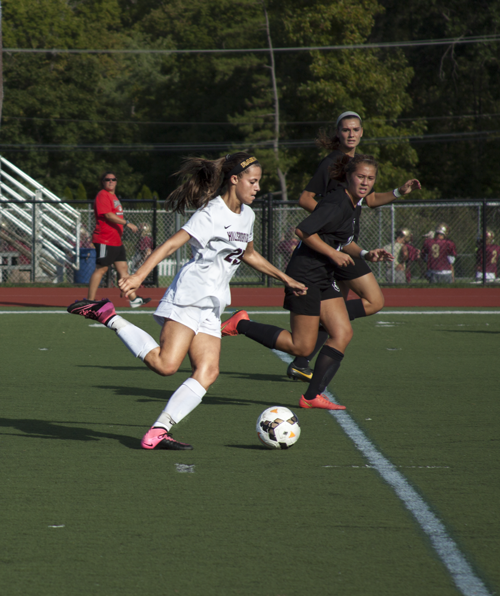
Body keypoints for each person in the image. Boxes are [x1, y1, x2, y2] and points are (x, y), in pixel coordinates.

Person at [67, 153, 306, 450]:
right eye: (253, 181)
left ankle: (159, 430)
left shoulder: (248, 215)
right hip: (189, 296)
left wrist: (286, 278)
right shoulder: (211, 213)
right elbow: (171, 244)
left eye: (259, 182)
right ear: (234, 179)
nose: (257, 188)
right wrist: (139, 276)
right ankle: (108, 315)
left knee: (208, 371)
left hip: (213, 303)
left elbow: (249, 254)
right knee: (166, 365)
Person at [221, 154, 393, 411]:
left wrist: (367, 254)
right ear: (348, 176)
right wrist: (333, 253)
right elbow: (303, 231)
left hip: (324, 275)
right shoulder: (336, 202)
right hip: (305, 273)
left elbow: (343, 240)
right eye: (361, 176)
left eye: (370, 178)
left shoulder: (354, 204)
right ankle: (242, 323)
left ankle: (312, 396)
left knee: (343, 333)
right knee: (301, 346)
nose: (365, 182)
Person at [286, 111, 421, 381]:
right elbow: (305, 198)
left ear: (361, 132)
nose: (351, 134)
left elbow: (368, 201)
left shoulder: (359, 165)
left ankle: (302, 361)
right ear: (339, 133)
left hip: (344, 244)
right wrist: (330, 219)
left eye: (355, 129)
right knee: (374, 301)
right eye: (346, 129)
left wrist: (398, 192)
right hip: (332, 245)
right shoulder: (333, 161)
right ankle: (310, 343)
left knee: (344, 305)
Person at [87, 171, 150, 307]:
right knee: (101, 269)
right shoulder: (102, 195)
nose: (110, 181)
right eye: (107, 179)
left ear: (116, 181)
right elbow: (108, 215)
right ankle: (90, 301)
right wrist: (127, 223)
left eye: (113, 179)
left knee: (123, 269)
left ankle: (133, 299)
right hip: (105, 239)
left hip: (116, 240)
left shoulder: (113, 196)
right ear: (102, 182)